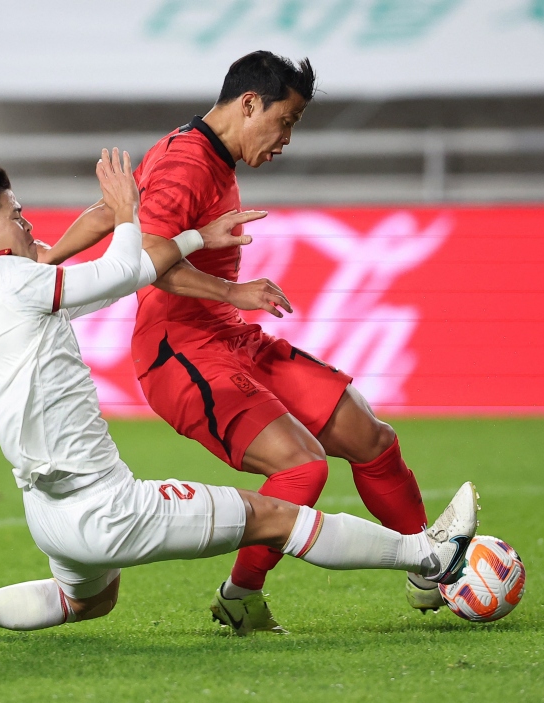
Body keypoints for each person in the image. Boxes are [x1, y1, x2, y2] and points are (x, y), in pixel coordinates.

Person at [0, 153, 478, 642]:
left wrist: (193, 236)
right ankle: (429, 556)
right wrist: (126, 211)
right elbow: (119, 268)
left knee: (84, 601)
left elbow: (130, 275)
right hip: (105, 506)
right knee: (275, 516)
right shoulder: (12, 279)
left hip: (50, 514)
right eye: (16, 216)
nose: (30, 225)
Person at [40, 51, 442, 635]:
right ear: (250, 103)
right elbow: (147, 260)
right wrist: (231, 291)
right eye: (287, 121)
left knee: (369, 437)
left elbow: (113, 211)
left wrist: (44, 261)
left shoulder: (189, 149)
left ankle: (432, 565)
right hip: (181, 351)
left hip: (231, 340)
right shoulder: (189, 163)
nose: (286, 139)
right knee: (302, 469)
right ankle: (240, 596)